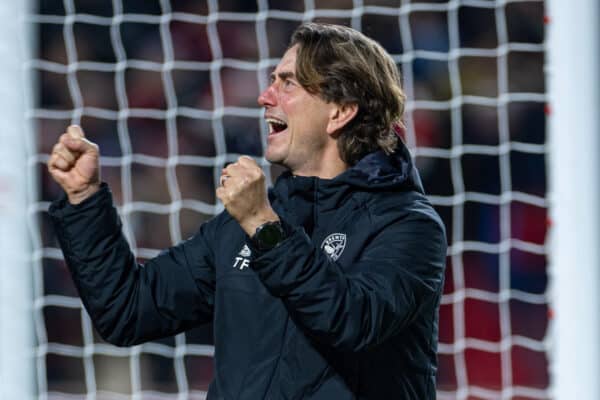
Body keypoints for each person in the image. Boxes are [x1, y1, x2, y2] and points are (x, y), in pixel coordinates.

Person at [48, 23, 447, 399]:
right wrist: (85, 200)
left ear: (340, 111)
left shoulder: (408, 225)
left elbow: (351, 320)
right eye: (273, 81)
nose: (265, 96)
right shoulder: (246, 222)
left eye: (287, 83)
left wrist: (263, 226)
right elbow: (128, 310)